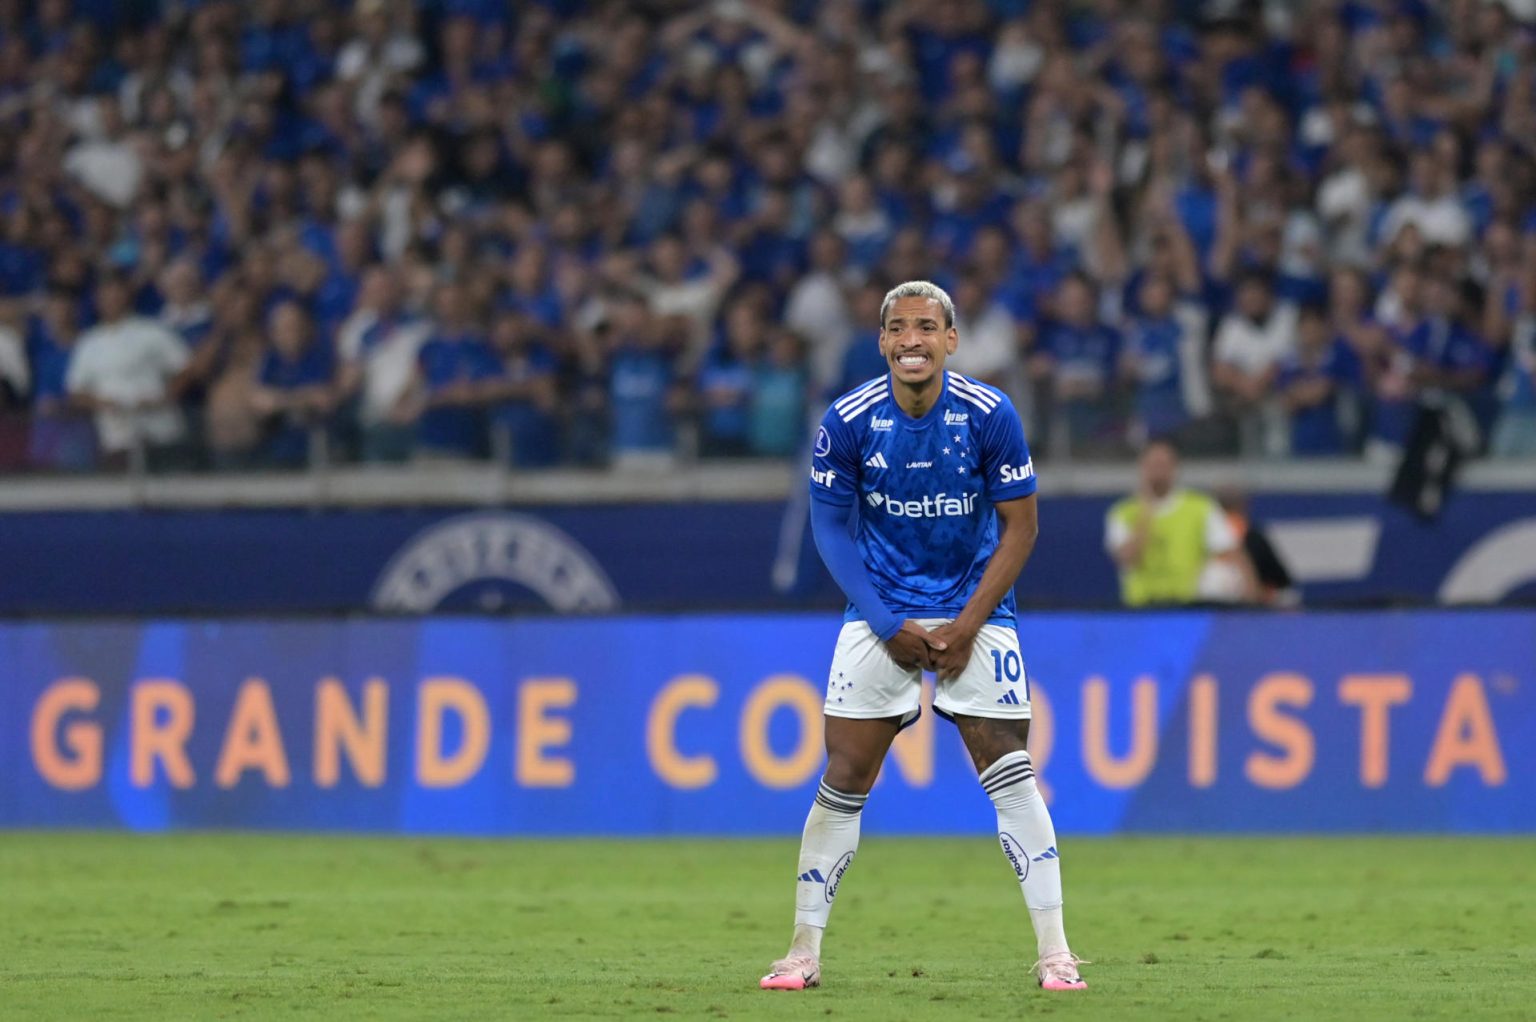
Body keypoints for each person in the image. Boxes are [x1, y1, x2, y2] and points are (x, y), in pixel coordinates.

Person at [761, 281, 1087, 994]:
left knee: (1010, 765)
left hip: (977, 609)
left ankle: (1056, 954)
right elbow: (830, 530)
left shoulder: (989, 413)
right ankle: (801, 953)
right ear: (881, 342)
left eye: (927, 327)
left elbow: (1022, 526)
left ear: (950, 340)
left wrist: (969, 624)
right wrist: (885, 622)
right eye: (898, 327)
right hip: (880, 610)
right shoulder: (846, 421)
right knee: (845, 774)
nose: (912, 338)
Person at [1104, 438, 1243, 606]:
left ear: (1175, 468)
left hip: (1189, 606)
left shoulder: (1201, 507)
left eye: (1163, 465)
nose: (1158, 472)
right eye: (1152, 465)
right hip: (1140, 607)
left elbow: (1229, 551)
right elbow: (1127, 558)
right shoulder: (1123, 512)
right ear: (1142, 468)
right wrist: (1146, 511)